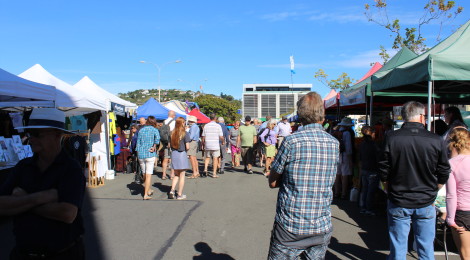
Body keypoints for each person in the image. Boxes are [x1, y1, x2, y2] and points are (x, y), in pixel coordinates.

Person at [0, 108, 86, 259]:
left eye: (37, 135)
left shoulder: (71, 169)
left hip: (62, 255)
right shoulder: (23, 166)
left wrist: (21, 202)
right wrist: (38, 198)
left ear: (57, 135)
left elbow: (67, 213)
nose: (31, 139)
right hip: (23, 253)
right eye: (29, 134)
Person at [267, 92, 339, 259]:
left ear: (300, 115)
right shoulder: (334, 143)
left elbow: (272, 182)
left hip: (291, 225)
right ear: (322, 114)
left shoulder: (292, 141)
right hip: (321, 224)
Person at [379, 101, 450, 260]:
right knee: (425, 247)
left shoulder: (391, 138)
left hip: (399, 197)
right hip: (425, 198)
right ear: (420, 117)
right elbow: (444, 170)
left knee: (398, 246)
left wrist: (387, 186)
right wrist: (435, 188)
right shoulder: (435, 139)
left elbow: (383, 168)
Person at [446, 128, 470, 259]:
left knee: (466, 254)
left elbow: (451, 195)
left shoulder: (452, 164)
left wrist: (450, 219)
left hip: (463, 213)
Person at [136, 116, 160, 200]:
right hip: (150, 153)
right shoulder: (154, 130)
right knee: (149, 174)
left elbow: (138, 142)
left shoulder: (141, 130)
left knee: (144, 173)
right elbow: (157, 140)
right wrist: (154, 146)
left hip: (141, 154)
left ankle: (148, 189)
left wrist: (138, 152)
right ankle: (146, 194)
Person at [168, 117, 191, 200]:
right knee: (182, 175)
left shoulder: (171, 133)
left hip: (174, 153)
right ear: (182, 123)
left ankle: (172, 190)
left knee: (176, 174)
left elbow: (169, 145)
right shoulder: (185, 133)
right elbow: (187, 147)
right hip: (181, 154)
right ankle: (179, 194)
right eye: (184, 122)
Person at [359, 125, 379, 216]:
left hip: (364, 168)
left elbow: (359, 157)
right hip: (372, 169)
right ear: (372, 134)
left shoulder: (362, 144)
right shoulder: (374, 145)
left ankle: (363, 207)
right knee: (370, 191)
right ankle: (368, 208)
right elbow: (378, 157)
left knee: (365, 189)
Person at [333, 117, 355, 200]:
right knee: (345, 175)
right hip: (345, 156)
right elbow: (348, 148)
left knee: (337, 174)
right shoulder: (347, 133)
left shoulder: (336, 131)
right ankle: (343, 193)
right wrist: (351, 159)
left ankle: (336, 192)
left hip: (337, 155)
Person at [202, 114, 224, 178]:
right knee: (215, 158)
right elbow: (221, 136)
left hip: (208, 143)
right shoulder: (218, 126)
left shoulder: (206, 126)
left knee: (207, 157)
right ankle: (214, 173)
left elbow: (203, 136)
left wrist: (203, 143)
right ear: (215, 118)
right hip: (215, 144)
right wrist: (223, 141)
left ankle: (205, 169)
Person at [162, 110, 176, 180]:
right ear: (173, 115)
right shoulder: (174, 122)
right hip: (172, 142)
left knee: (165, 158)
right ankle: (172, 174)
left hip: (165, 141)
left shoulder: (164, 122)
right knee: (173, 158)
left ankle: (164, 174)